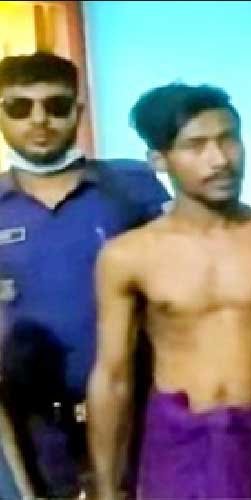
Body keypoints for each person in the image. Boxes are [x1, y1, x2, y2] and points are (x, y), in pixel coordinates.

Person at [87, 83, 251, 500]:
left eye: (229, 139)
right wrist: (106, 487)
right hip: (175, 444)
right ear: (159, 160)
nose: (220, 159)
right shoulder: (128, 256)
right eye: (196, 146)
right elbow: (112, 376)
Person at [0, 51, 169, 498]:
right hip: (31, 430)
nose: (39, 119)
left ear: (78, 109)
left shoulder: (131, 187)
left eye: (56, 105)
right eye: (19, 107)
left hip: (137, 418)